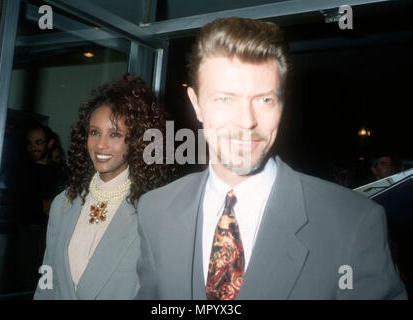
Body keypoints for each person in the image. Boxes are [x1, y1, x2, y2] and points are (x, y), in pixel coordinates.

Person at [135, 17, 407, 299]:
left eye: (264, 99)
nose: (246, 122)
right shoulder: (156, 211)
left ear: (282, 103)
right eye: (224, 99)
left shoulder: (353, 223)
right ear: (196, 105)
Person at [34, 74, 176, 299]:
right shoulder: (63, 203)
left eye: (115, 134)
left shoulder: (154, 211)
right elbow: (47, 281)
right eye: (94, 132)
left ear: (138, 140)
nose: (101, 144)